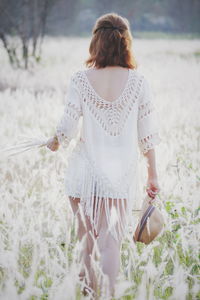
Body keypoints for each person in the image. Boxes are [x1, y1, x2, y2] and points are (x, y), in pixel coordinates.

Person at [46, 12, 161, 298]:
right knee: (111, 244)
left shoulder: (81, 79)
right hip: (119, 176)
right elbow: (147, 136)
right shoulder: (138, 82)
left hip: (84, 175)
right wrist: (153, 175)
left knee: (85, 241)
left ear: (96, 42)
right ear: (126, 43)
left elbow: (67, 128)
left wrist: (55, 142)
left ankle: (88, 294)